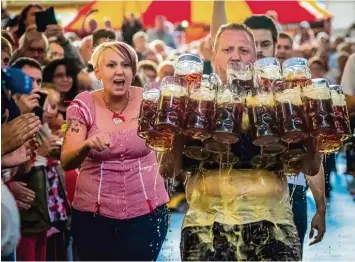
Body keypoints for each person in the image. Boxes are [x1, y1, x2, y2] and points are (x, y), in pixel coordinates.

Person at [210, 1, 326, 253]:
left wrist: (320, 206)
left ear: (275, 46)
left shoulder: (292, 91)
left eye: (265, 45)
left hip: (289, 192)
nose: (259, 52)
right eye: (253, 45)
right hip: (230, 200)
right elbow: (218, 36)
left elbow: (312, 155)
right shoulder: (227, 86)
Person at [60, 41, 179, 261]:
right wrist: (86, 145)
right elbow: (66, 160)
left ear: (133, 71)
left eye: (125, 65)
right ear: (98, 71)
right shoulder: (83, 104)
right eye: (111, 65)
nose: (119, 71)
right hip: (93, 216)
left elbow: (171, 144)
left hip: (147, 213)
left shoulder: (150, 99)